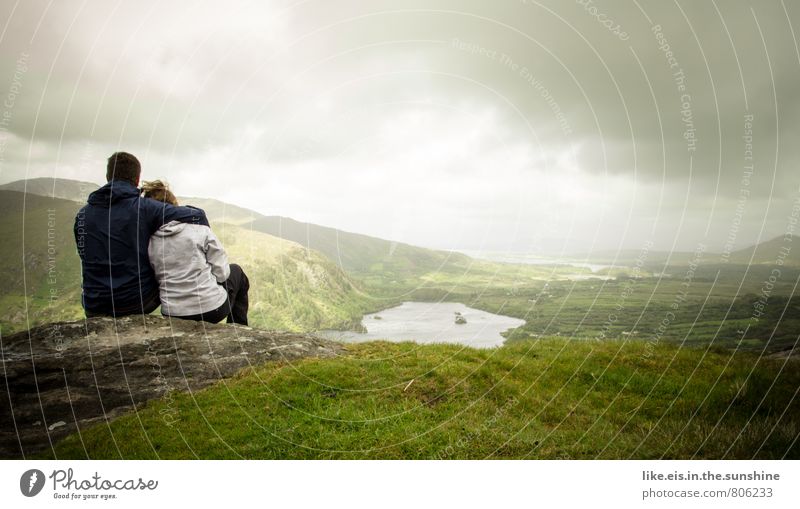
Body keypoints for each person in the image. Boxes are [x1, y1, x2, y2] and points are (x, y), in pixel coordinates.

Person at [74, 152, 209, 317]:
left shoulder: (82, 215)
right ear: (137, 179)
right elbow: (198, 215)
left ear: (108, 176)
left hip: (94, 306)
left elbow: (84, 255)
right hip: (136, 303)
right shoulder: (145, 208)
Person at [142, 180, 250, 325]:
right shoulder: (199, 228)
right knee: (237, 272)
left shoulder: (147, 239)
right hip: (212, 310)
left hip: (172, 313)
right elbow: (222, 273)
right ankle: (239, 331)